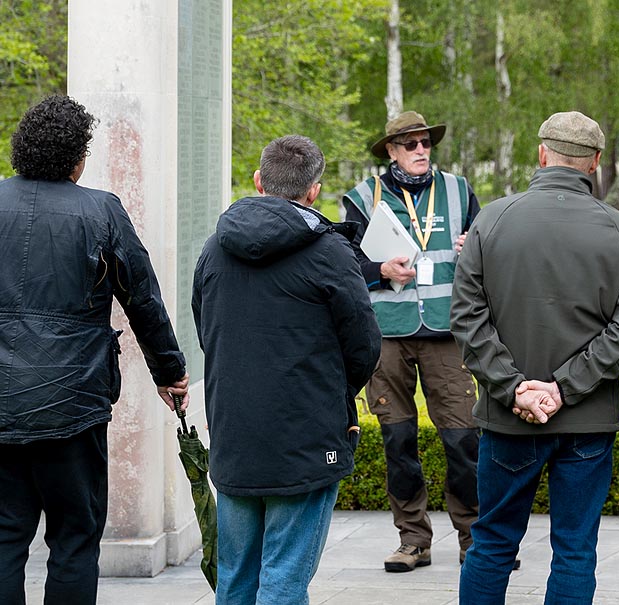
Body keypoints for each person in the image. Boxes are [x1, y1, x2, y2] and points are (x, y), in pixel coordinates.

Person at [451, 111, 619, 604]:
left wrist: (514, 387)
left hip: (508, 418)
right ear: (595, 163)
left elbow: (467, 319)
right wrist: (563, 389)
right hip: (585, 421)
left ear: (542, 154)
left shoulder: (492, 219)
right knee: (575, 550)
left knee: (493, 542)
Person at [0, 95, 189, 605]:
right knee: (75, 541)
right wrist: (169, 371)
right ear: (77, 157)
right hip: (73, 405)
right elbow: (142, 298)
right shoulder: (100, 210)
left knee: (3, 538)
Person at [192, 135, 382, 603]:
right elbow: (364, 344)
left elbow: (206, 328)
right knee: (284, 579)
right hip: (306, 436)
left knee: (236, 577)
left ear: (259, 181)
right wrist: (329, 392)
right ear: (314, 191)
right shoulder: (330, 252)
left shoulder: (215, 248)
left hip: (234, 433)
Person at [342, 110, 482, 572]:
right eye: (411, 144)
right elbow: (342, 268)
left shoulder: (460, 190)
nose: (422, 150)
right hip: (387, 336)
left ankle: (474, 538)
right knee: (397, 441)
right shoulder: (364, 198)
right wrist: (379, 271)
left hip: (448, 332)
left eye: (426, 143)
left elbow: (491, 253)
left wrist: (474, 247)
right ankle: (413, 541)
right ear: (391, 151)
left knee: (464, 440)